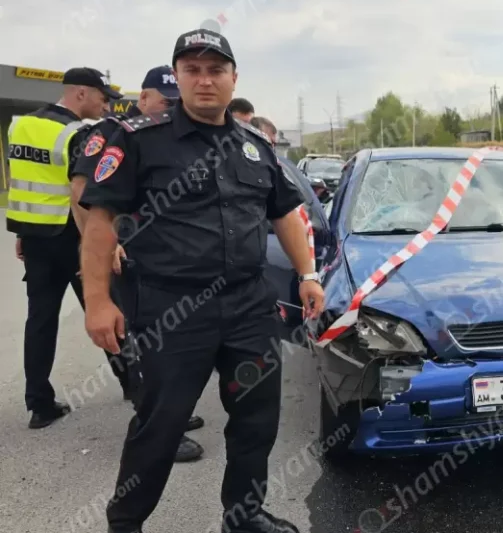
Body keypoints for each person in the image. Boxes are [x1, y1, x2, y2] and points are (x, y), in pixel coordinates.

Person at [79, 28, 324, 533]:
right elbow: (100, 221)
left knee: (256, 419)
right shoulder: (138, 140)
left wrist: (307, 274)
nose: (205, 80)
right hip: (172, 310)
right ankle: (125, 523)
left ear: (234, 78)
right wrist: (98, 301)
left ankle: (244, 515)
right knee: (160, 425)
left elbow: (284, 213)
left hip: (249, 307)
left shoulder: (255, 145)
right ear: (178, 78)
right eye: (193, 70)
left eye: (216, 70)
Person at [68, 65, 206, 463]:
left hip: (155, 260)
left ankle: (168, 413)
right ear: (143, 98)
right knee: (140, 344)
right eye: (166, 102)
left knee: (163, 341)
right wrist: (106, 248)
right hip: (123, 257)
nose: (172, 109)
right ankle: (158, 431)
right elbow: (80, 192)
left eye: (177, 103)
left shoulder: (164, 135)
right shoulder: (112, 134)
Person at [6, 66, 127, 429]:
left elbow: (24, 182)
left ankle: (39, 405)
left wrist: (23, 233)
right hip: (73, 238)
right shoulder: (78, 133)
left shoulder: (20, 125)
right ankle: (139, 391)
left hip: (36, 239)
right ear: (81, 93)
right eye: (102, 98)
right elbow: (79, 195)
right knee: (108, 312)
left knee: (40, 321)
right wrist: (102, 245)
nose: (106, 106)